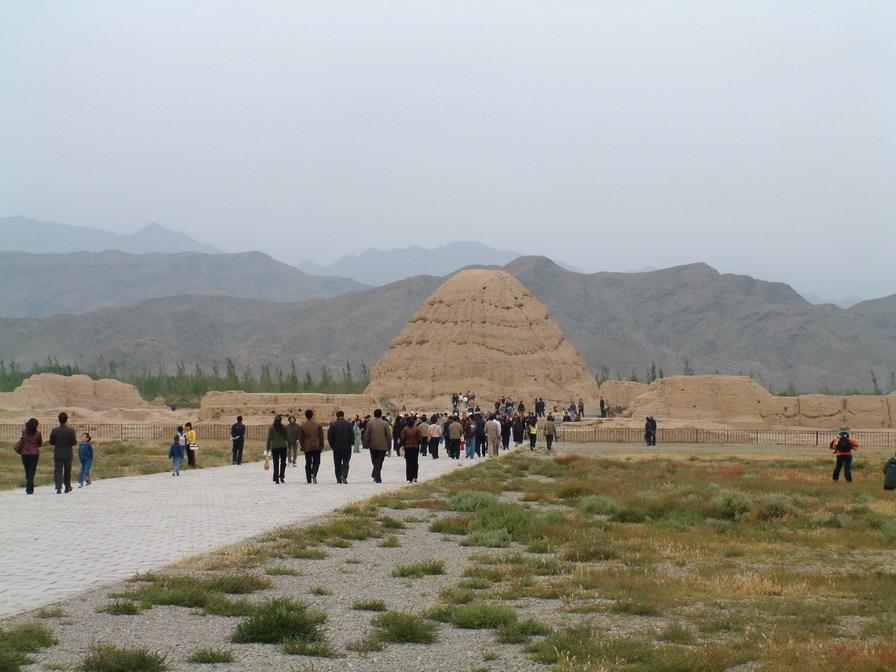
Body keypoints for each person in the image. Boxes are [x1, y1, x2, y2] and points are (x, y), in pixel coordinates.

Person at [49, 411, 77, 494]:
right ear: (66, 420)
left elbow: (51, 442)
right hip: (68, 454)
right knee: (67, 471)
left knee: (58, 470)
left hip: (58, 453)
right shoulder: (71, 431)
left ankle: (58, 487)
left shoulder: (55, 430)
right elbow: (74, 442)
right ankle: (67, 486)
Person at [363, 408, 392, 482]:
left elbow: (366, 435)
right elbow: (389, 436)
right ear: (381, 414)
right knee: (379, 461)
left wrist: (366, 444)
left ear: (374, 415)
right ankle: (376, 475)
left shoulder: (369, 423)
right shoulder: (385, 423)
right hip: (383, 446)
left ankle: (376, 475)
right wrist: (389, 445)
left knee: (374, 461)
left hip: (372, 445)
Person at [328, 410, 354, 484]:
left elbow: (330, 436)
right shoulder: (348, 424)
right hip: (346, 445)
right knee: (346, 462)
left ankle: (338, 478)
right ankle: (344, 475)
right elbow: (352, 435)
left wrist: (332, 445)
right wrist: (351, 443)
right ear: (343, 415)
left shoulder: (333, 425)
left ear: (336, 416)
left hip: (336, 446)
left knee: (337, 463)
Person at [298, 409, 324, 484]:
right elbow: (321, 436)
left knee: (308, 462)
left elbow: (301, 438)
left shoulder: (303, 426)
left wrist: (303, 446)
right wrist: (321, 445)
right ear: (312, 415)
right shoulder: (318, 425)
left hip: (307, 447)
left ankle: (308, 478)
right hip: (316, 446)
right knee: (316, 462)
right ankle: (313, 472)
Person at [17, 418, 42, 495]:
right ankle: (29, 488)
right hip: (34, 454)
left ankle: (30, 487)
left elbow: (22, 441)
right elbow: (40, 444)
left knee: (27, 471)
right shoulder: (38, 433)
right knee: (32, 471)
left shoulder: (23, 432)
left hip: (24, 454)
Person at [266, 415, 289, 484]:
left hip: (275, 447)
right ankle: (281, 476)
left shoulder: (272, 428)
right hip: (283, 446)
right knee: (283, 462)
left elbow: (269, 439)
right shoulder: (284, 427)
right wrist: (290, 446)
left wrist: (268, 448)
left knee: (276, 463)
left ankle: (276, 478)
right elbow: (288, 437)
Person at [399, 416, 423, 482]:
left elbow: (402, 438)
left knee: (408, 462)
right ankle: (415, 476)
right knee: (415, 462)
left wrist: (402, 444)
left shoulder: (405, 429)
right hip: (415, 447)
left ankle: (409, 478)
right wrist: (418, 443)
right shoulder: (417, 429)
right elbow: (420, 438)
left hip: (407, 447)